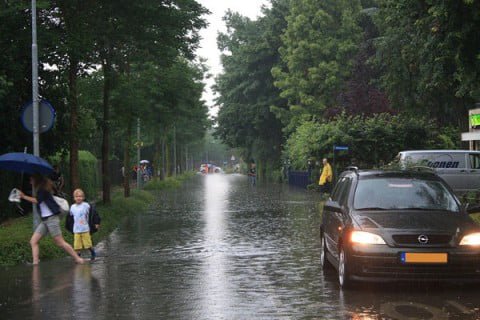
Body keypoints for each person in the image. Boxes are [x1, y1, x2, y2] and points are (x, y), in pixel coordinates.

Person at [19, 174, 84, 265]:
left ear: (36, 180)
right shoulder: (40, 190)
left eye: (31, 179)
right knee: (33, 241)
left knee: (60, 242)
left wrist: (23, 196)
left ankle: (77, 258)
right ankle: (35, 263)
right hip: (46, 220)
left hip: (51, 219)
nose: (30, 181)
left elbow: (37, 201)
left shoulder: (42, 190)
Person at [70, 189, 97, 260]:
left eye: (80, 196)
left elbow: (93, 213)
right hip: (76, 230)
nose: (78, 198)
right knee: (76, 246)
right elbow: (70, 217)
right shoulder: (72, 207)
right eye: (77, 196)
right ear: (74, 198)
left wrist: (96, 222)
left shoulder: (86, 205)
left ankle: (92, 252)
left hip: (85, 229)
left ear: (83, 197)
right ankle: (78, 257)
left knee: (88, 245)